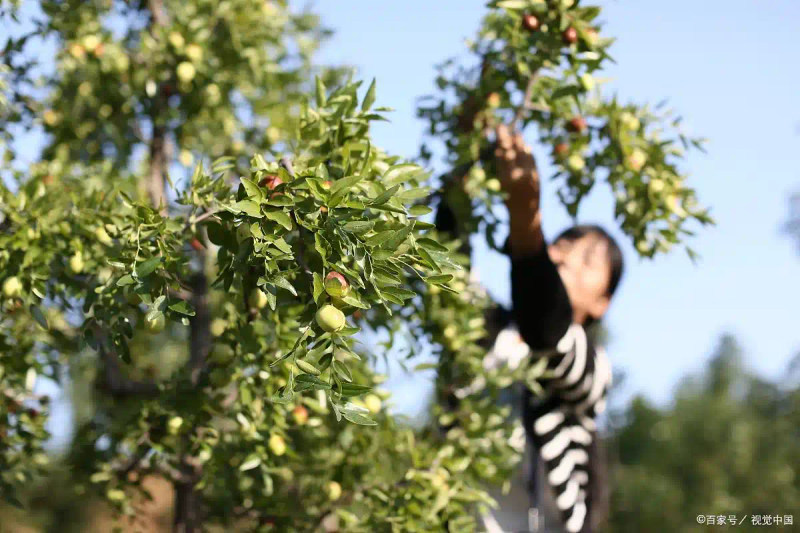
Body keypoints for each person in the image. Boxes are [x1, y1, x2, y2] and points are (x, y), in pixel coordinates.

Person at [435, 124, 625, 533]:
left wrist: (525, 218)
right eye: (564, 244)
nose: (569, 258)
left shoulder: (593, 369)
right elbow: (446, 270)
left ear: (601, 303)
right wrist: (465, 169)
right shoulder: (488, 331)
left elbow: (549, 332)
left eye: (588, 260)